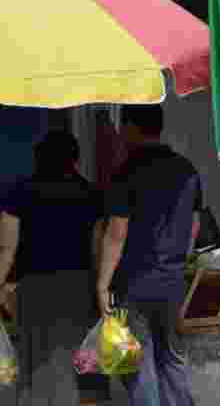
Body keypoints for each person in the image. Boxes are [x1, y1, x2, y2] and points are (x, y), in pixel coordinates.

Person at [95, 104, 201, 406]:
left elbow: (116, 232)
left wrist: (102, 284)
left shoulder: (127, 173)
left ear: (130, 127)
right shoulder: (186, 170)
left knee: (137, 363)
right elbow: (194, 226)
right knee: (171, 358)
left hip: (134, 284)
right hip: (171, 283)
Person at [0, 131, 111, 406]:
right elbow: (97, 249)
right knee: (82, 363)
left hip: (33, 289)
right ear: (75, 160)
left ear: (38, 160)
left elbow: (7, 249)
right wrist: (102, 289)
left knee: (35, 361)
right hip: (80, 288)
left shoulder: (18, 192)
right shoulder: (91, 194)